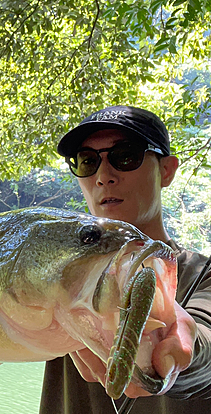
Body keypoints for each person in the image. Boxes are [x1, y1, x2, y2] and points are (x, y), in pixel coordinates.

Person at [40, 106, 211, 414]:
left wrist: (181, 353)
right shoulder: (58, 270)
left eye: (126, 156)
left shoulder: (204, 275)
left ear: (167, 170)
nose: (104, 176)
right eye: (88, 161)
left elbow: (204, 346)